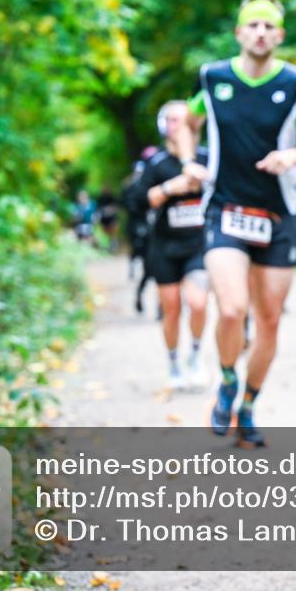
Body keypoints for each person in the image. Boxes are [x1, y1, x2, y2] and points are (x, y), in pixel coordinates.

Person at [176, 0, 296, 447]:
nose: (260, 32)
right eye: (253, 25)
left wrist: (290, 156)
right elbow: (187, 123)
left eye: (268, 26)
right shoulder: (212, 77)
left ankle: (247, 405)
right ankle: (227, 380)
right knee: (231, 308)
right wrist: (188, 161)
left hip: (277, 216)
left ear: (280, 35)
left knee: (269, 321)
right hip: (224, 209)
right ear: (239, 32)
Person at [136, 101, 211, 391]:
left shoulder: (208, 158)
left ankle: (195, 356)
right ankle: (173, 363)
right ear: (163, 125)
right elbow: (138, 200)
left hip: (199, 245)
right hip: (164, 247)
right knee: (172, 309)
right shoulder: (156, 163)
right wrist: (170, 187)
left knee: (198, 302)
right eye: (171, 119)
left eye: (183, 119)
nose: (177, 125)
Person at [121, 146, 158, 311]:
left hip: (160, 233)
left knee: (159, 270)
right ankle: (140, 295)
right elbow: (129, 205)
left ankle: (161, 306)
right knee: (149, 268)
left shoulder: (162, 177)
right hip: (141, 229)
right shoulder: (134, 186)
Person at [97, 186, 120, 253]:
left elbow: (116, 208)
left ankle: (113, 247)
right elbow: (98, 209)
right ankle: (106, 247)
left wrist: (110, 210)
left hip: (112, 219)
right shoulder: (100, 199)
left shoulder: (112, 198)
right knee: (105, 235)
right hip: (104, 220)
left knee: (113, 234)